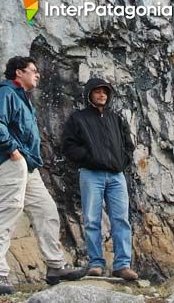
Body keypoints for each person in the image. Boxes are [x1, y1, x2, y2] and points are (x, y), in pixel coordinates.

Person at [0, 56, 86, 294]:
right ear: (19, 73)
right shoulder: (6, 94)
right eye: (33, 70)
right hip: (12, 162)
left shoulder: (22, 98)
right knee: (7, 212)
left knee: (46, 210)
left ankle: (55, 266)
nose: (37, 74)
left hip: (27, 166)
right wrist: (13, 152)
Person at [62, 77, 138, 280]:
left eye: (105, 91)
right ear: (89, 94)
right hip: (90, 174)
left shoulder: (116, 118)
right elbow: (68, 146)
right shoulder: (78, 118)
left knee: (121, 220)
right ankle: (96, 263)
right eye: (97, 91)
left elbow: (128, 144)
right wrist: (89, 159)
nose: (102, 94)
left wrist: (123, 162)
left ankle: (122, 265)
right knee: (92, 220)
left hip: (116, 175)